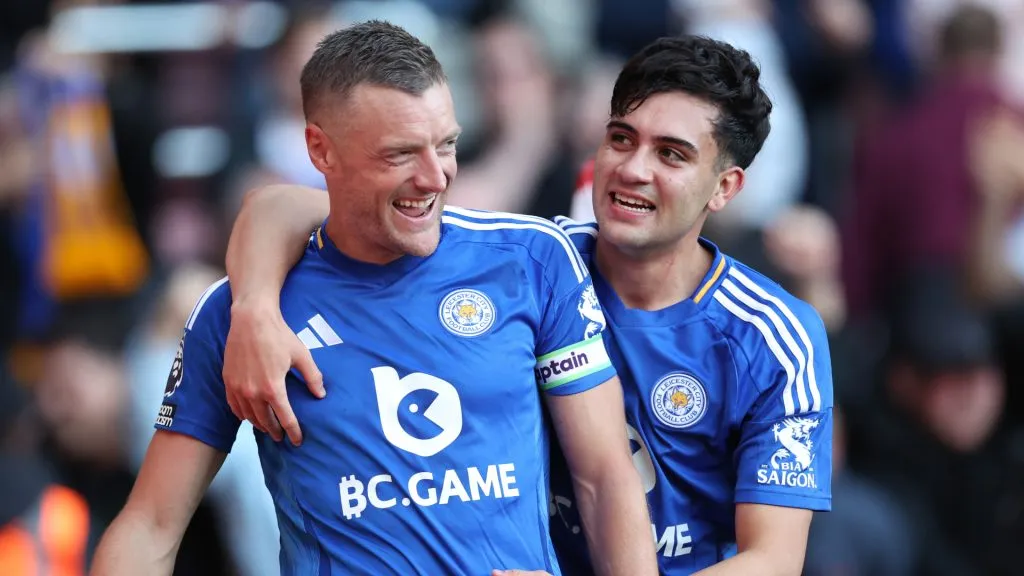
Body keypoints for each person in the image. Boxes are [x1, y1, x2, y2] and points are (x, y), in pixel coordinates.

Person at [223, 34, 834, 575]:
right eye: (621, 139)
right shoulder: (528, 263)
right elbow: (289, 206)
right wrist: (253, 308)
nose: (632, 170)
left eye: (671, 154)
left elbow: (774, 559)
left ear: (725, 187)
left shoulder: (772, 335)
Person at [90, 21, 656, 576]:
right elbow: (151, 527)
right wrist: (254, 308)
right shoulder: (240, 314)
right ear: (321, 151)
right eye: (400, 154)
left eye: (447, 144)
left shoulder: (531, 261)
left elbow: (606, 478)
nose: (436, 177)